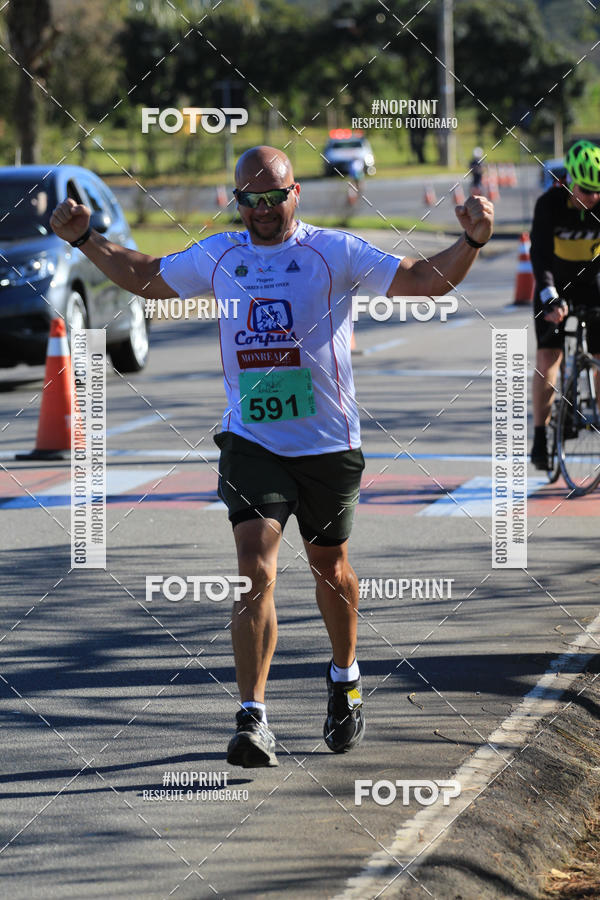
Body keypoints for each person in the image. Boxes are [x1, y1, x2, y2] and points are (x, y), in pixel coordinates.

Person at [50, 146, 494, 768]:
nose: (261, 209)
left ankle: (345, 676)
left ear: (295, 194)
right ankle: (253, 717)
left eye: (273, 197)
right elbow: (146, 275)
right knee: (253, 567)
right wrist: (86, 240)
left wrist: (470, 242)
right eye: (249, 199)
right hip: (252, 442)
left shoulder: (333, 252)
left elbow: (422, 280)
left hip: (328, 444)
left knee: (330, 568)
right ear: (236, 201)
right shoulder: (220, 255)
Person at [530, 139, 600, 470]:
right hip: (554, 283)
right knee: (549, 357)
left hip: (591, 283)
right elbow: (540, 255)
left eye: (598, 191)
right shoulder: (549, 205)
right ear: (570, 181)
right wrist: (549, 296)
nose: (593, 198)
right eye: (586, 190)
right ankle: (540, 436)